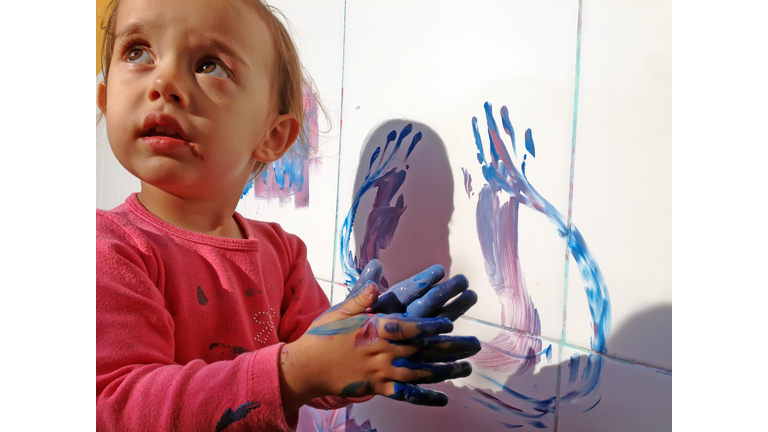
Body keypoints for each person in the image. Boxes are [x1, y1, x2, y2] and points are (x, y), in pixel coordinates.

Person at [95, 0, 480, 430]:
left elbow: (320, 372)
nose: (164, 81)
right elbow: (119, 409)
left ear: (272, 135)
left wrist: (367, 344)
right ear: (105, 97)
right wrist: (295, 370)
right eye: (138, 53)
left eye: (210, 65)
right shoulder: (107, 250)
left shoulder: (282, 253)